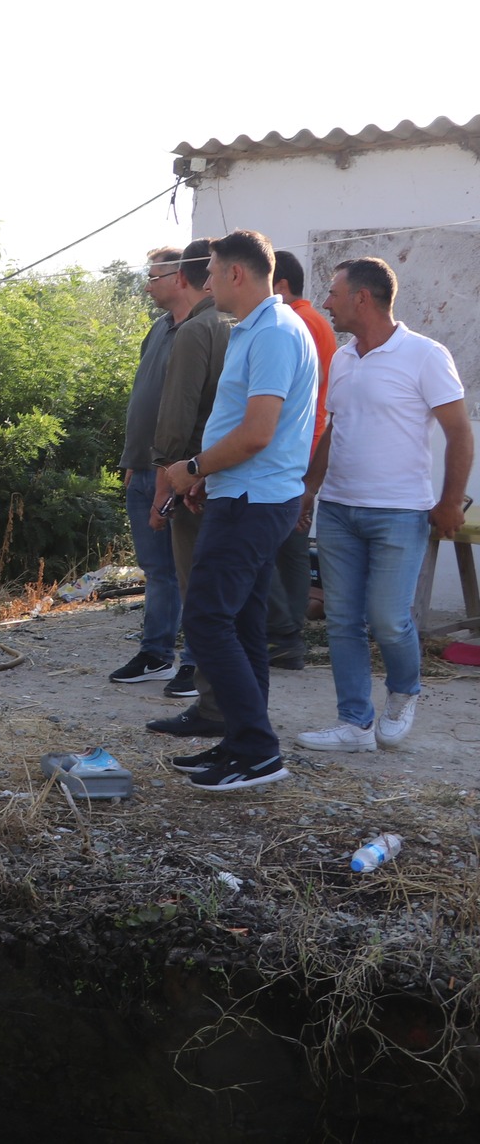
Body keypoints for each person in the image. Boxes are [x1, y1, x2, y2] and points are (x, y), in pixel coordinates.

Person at [293, 257, 472, 753]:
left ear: (362, 298)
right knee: (342, 620)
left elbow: (459, 433)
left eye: (333, 293)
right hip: (339, 511)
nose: (326, 302)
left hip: (400, 513)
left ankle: (404, 691)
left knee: (389, 619)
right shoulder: (343, 358)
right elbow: (336, 427)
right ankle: (354, 723)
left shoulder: (425, 355)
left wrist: (450, 502)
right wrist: (310, 487)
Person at [162, 229, 319, 791]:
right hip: (244, 493)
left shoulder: (274, 333)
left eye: (210, 272)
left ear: (235, 273)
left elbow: (257, 433)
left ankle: (257, 750)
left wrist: (194, 467)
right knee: (244, 624)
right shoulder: (257, 329)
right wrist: (212, 476)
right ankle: (242, 742)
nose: (204, 284)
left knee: (206, 618)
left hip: (254, 499)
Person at [145, 239, 235, 733]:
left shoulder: (198, 330)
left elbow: (176, 418)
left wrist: (166, 485)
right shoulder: (241, 327)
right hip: (230, 476)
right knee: (224, 598)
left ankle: (209, 705)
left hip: (194, 481)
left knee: (196, 595)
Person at [109, 247, 198, 686]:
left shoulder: (204, 331)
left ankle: (196, 663)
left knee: (191, 571)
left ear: (180, 277)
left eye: (154, 276)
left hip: (180, 475)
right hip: (143, 469)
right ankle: (157, 654)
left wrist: (170, 471)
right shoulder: (159, 329)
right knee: (157, 570)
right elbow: (144, 398)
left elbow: (189, 411)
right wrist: (134, 460)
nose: (147, 286)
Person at [265, 250, 337, 671]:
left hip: (295, 449)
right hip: (304, 447)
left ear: (281, 285)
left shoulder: (297, 322)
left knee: (270, 547)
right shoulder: (310, 320)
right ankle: (287, 635)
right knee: (288, 547)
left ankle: (283, 634)